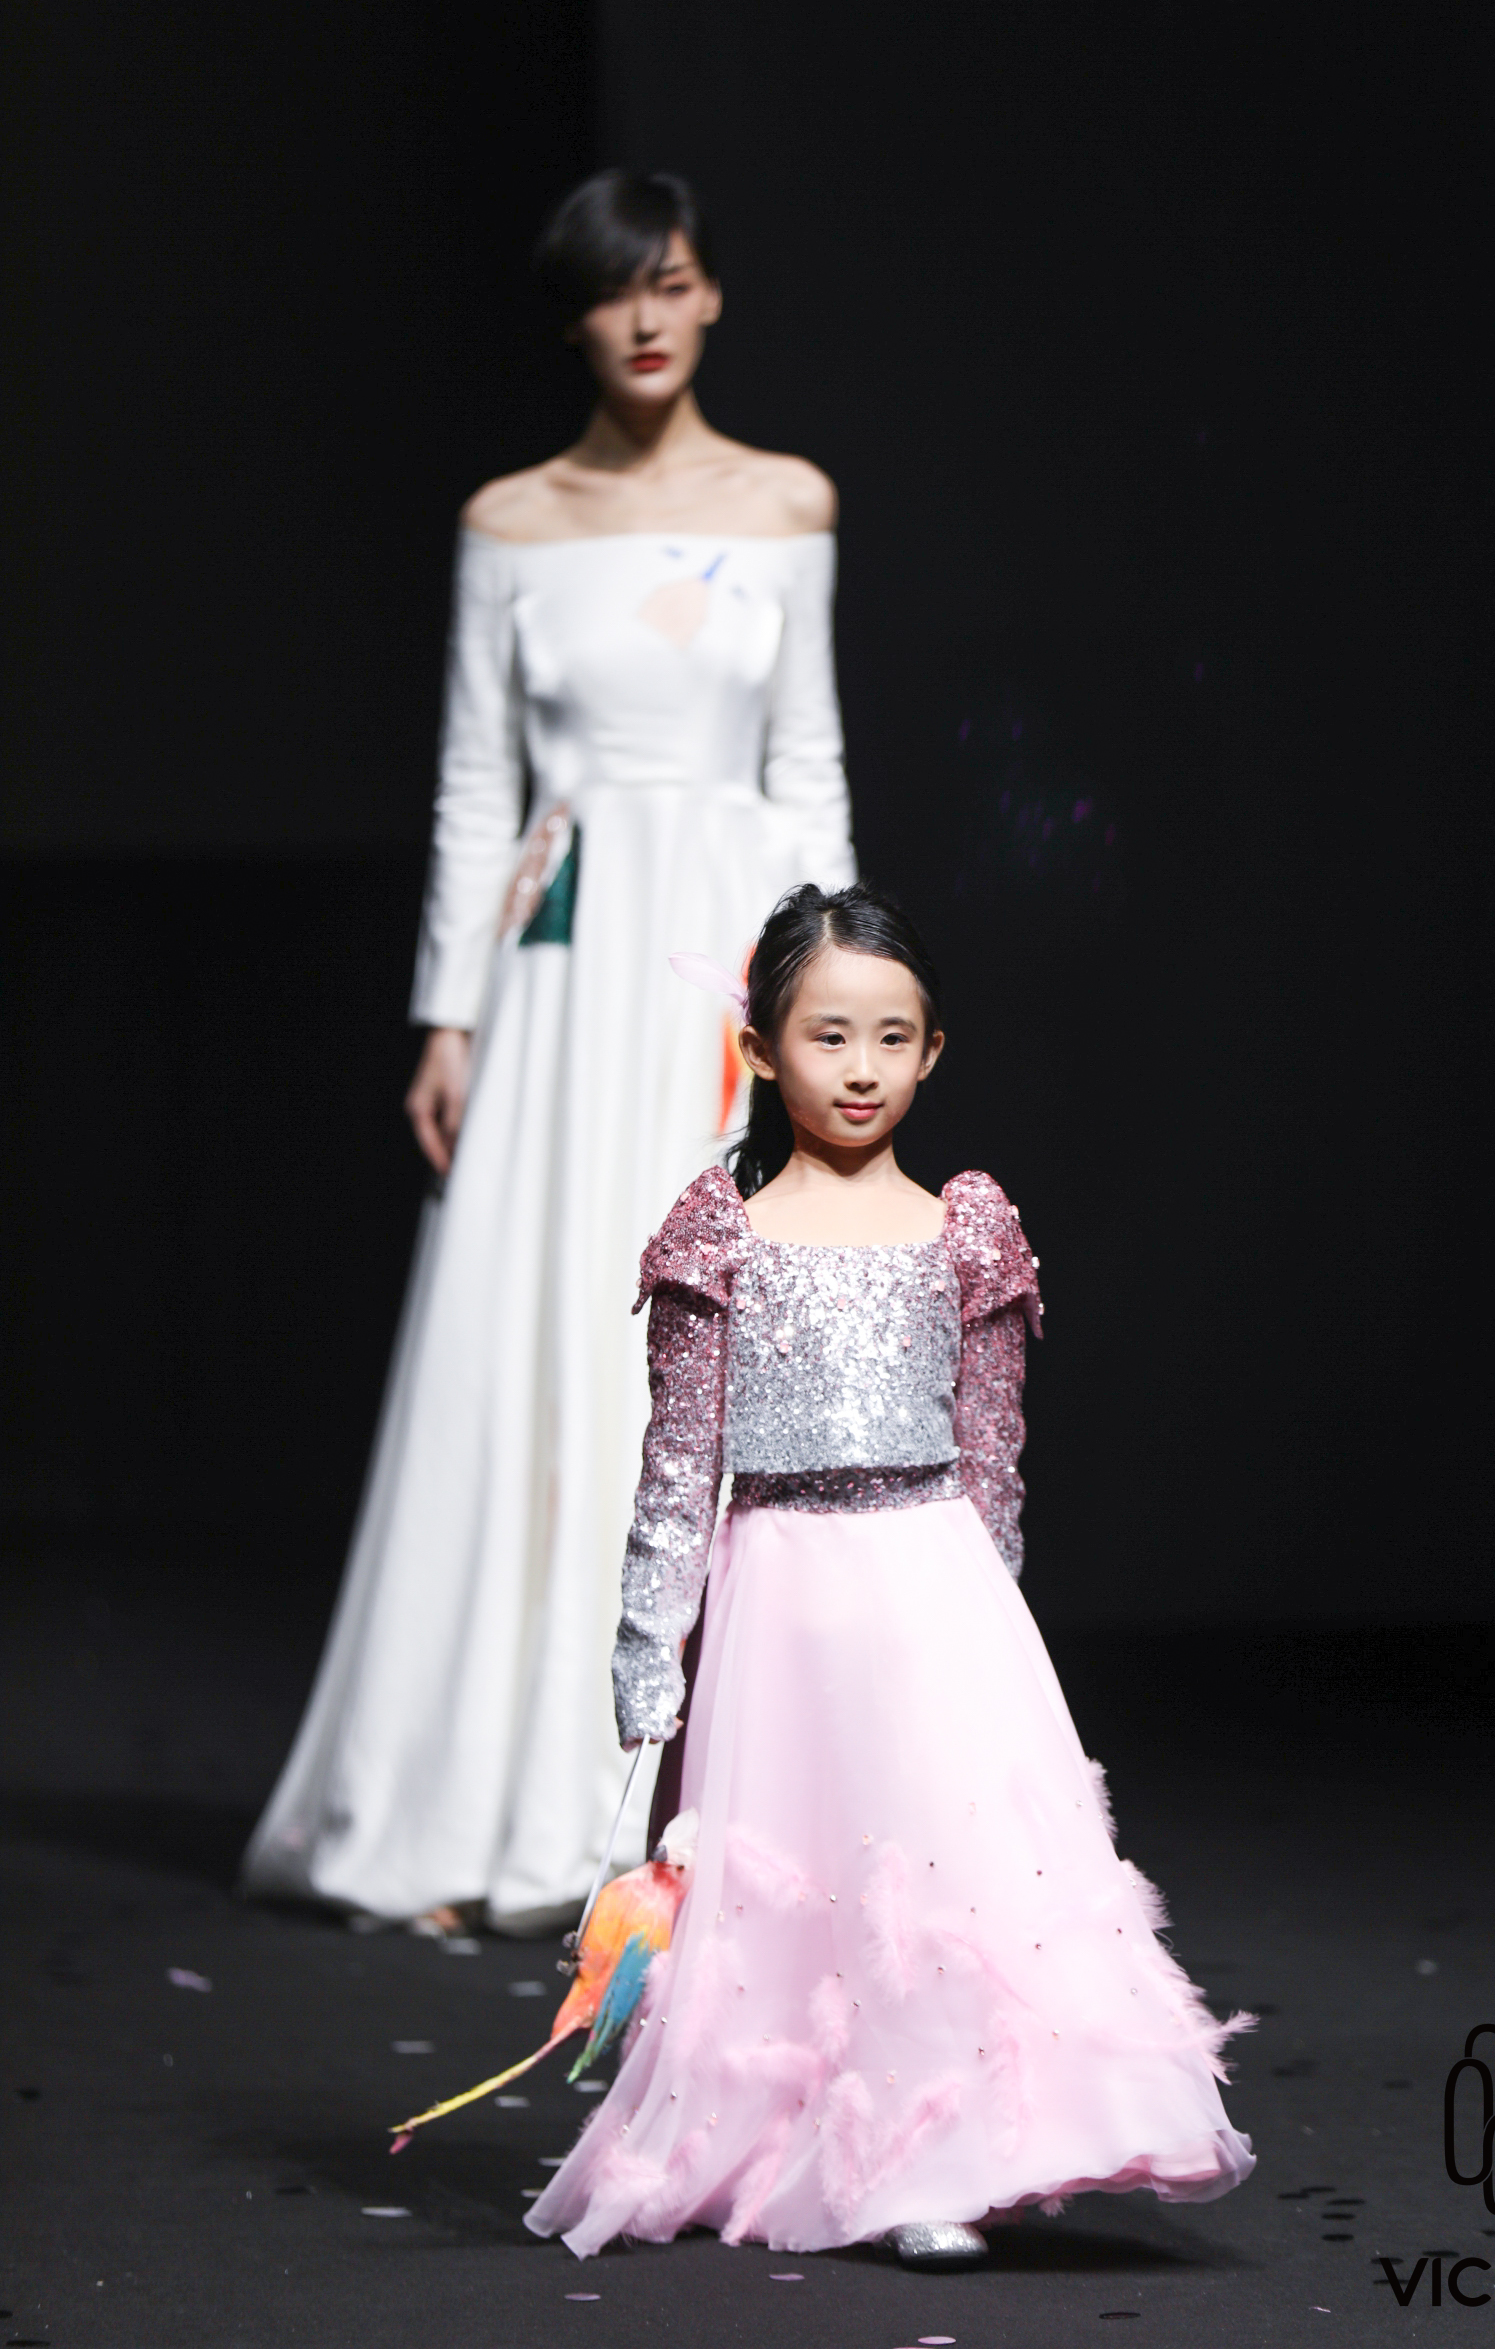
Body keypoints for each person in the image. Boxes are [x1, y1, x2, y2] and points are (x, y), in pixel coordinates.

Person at [242, 174, 855, 1933]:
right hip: (563, 974)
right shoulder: (509, 521)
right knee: (530, 1337)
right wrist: (447, 1016)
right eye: (611, 292)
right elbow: (472, 786)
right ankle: (477, 1805)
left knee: (704, 1339)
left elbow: (807, 763)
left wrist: (827, 1004)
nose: (644, 318)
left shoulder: (787, 503)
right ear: (573, 318)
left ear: (712, 297)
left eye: (672, 283)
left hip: (717, 962)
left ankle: (708, 1808)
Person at [525, 884, 1255, 2261]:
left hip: (933, 1586)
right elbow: (678, 1465)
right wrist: (646, 1646)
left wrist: (992, 1628)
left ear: (932, 1051)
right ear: (760, 1049)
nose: (860, 1068)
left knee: (948, 1869)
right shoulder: (720, 1234)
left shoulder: (963, 1227)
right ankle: (835, 2144)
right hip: (782, 1596)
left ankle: (944, 2155)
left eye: (891, 1037)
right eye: (828, 1035)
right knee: (811, 1879)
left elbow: (992, 1451)